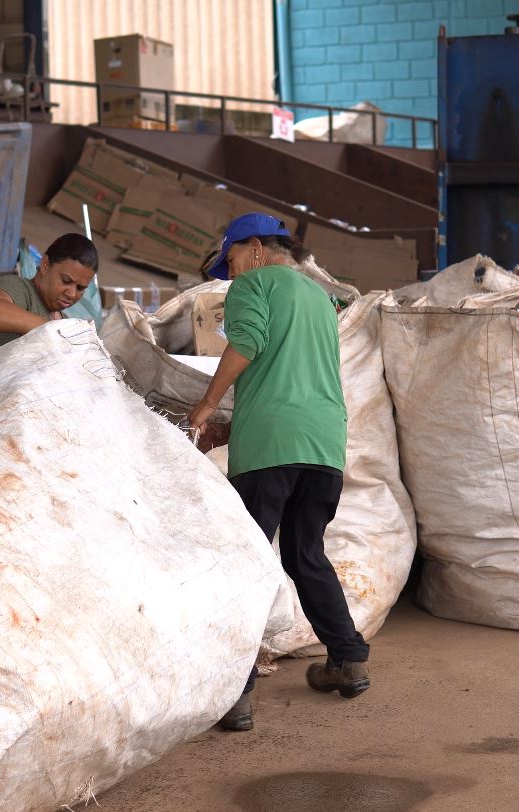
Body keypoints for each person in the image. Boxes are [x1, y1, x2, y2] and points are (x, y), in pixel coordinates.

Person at [188, 212, 370, 733]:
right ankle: (348, 658)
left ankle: (236, 693)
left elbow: (246, 343)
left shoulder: (255, 285)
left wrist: (206, 404)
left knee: (247, 562)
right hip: (324, 445)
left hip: (271, 446)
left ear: (256, 248)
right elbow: (289, 371)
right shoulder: (319, 297)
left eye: (233, 260)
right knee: (305, 552)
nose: (232, 273)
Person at [0, 233, 99, 368]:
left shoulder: (61, 320)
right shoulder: (18, 288)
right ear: (45, 265)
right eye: (66, 281)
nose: (72, 294)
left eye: (81, 288)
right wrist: (53, 331)